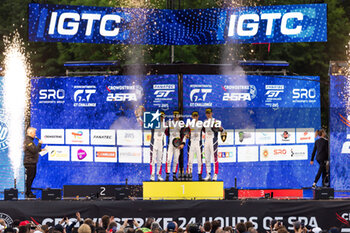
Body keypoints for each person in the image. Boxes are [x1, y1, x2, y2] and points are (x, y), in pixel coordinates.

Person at [202, 108, 224, 181]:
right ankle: (208, 174)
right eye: (207, 113)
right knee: (207, 158)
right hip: (206, 140)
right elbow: (203, 130)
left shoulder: (216, 121)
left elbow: (222, 130)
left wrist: (221, 129)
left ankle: (215, 174)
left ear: (212, 113)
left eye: (209, 113)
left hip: (213, 140)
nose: (208, 114)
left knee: (214, 158)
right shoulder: (204, 122)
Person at [165, 111, 186, 181]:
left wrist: (183, 143)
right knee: (168, 159)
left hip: (178, 143)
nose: (175, 117)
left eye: (177, 115)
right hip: (171, 142)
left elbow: (184, 135)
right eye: (174, 115)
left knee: (176, 159)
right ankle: (167, 175)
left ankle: (174, 174)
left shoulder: (182, 124)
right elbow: (166, 132)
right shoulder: (169, 122)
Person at [23, 127, 43, 198]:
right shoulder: (28, 141)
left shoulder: (30, 141)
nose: (35, 134)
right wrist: (39, 144)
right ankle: (28, 193)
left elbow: (35, 150)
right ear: (30, 133)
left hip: (32, 162)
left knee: (31, 177)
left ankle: (28, 191)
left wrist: (41, 149)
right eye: (34, 133)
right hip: (29, 162)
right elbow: (34, 150)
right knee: (30, 177)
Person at [186, 111, 203, 181]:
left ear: (198, 116)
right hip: (192, 142)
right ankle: (190, 174)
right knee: (190, 160)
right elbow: (186, 132)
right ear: (192, 117)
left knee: (199, 160)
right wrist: (186, 135)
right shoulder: (189, 124)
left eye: (196, 116)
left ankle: (199, 175)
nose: (195, 117)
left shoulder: (201, 123)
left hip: (199, 143)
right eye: (194, 116)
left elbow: (207, 130)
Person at [150, 111, 166, 181]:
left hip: (160, 143)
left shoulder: (165, 124)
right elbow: (145, 124)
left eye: (162, 117)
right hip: (154, 142)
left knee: (159, 160)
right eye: (160, 116)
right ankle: (152, 175)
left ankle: (159, 175)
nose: (161, 118)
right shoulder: (154, 122)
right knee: (153, 159)